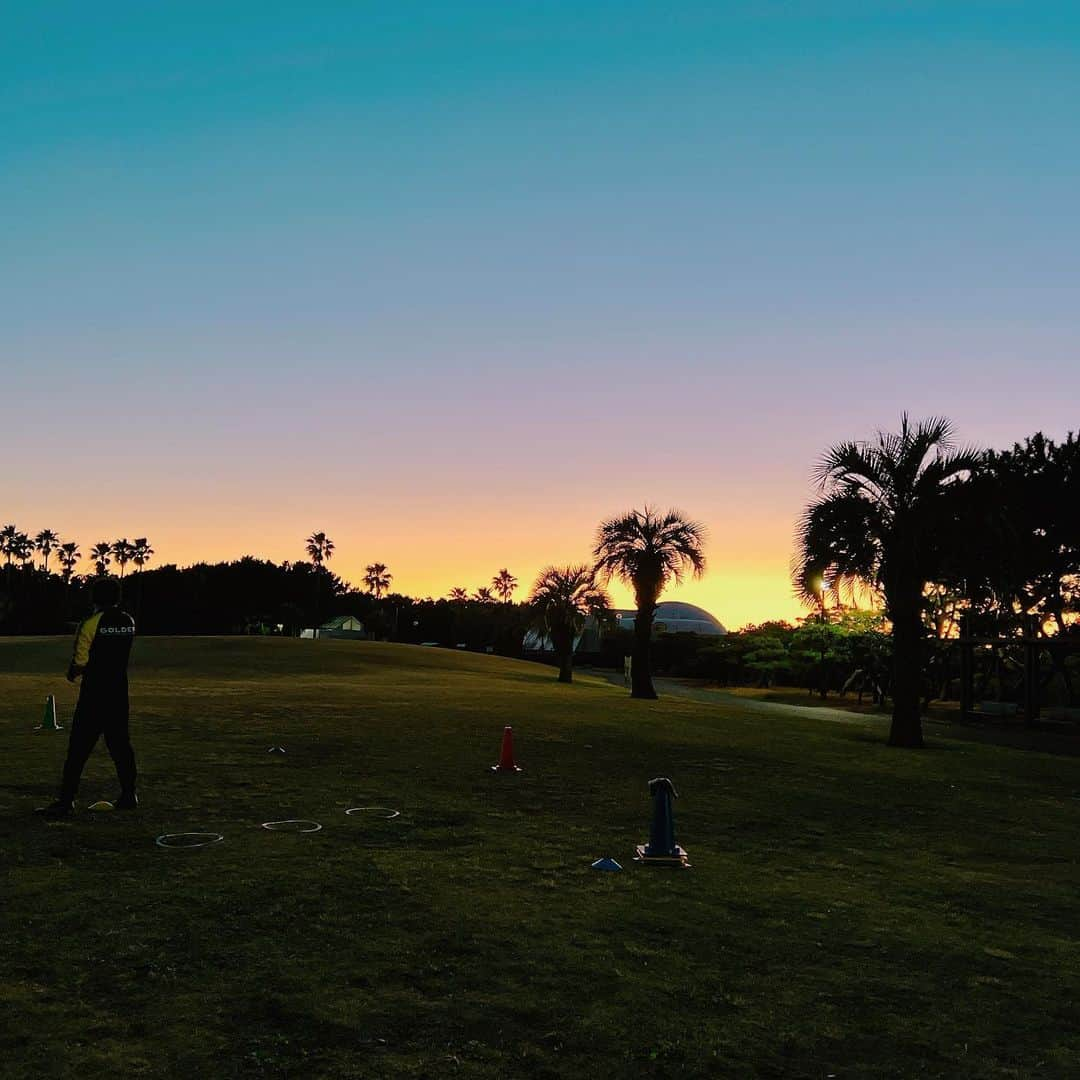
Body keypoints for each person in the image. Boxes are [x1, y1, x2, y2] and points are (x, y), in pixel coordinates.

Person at [36, 577, 137, 818]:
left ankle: (66, 800)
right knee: (120, 746)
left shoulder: (91, 623)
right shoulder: (128, 622)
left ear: (95, 598)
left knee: (78, 748)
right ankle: (129, 794)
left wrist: (72, 672)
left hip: (94, 693)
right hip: (119, 692)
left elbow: (81, 660)